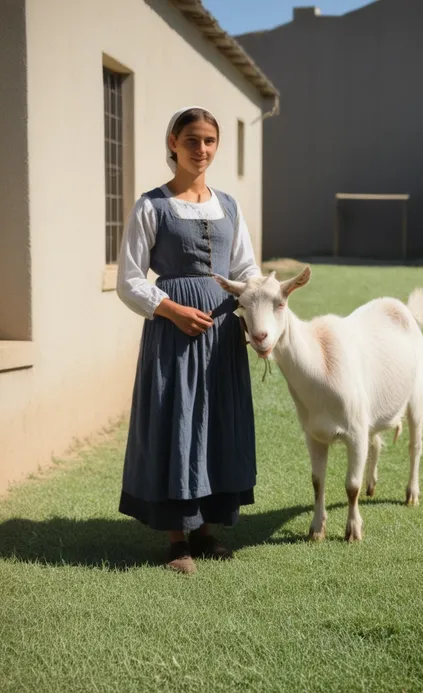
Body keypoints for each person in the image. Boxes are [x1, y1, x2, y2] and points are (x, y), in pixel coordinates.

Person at [116, 106, 261, 574]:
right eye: (193, 140)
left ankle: (206, 529)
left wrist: (255, 306)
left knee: (215, 420)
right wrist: (172, 310)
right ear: (173, 142)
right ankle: (177, 539)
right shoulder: (151, 205)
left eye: (210, 142)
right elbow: (129, 279)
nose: (202, 150)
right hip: (173, 332)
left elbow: (245, 270)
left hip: (221, 332)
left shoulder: (230, 207)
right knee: (177, 420)